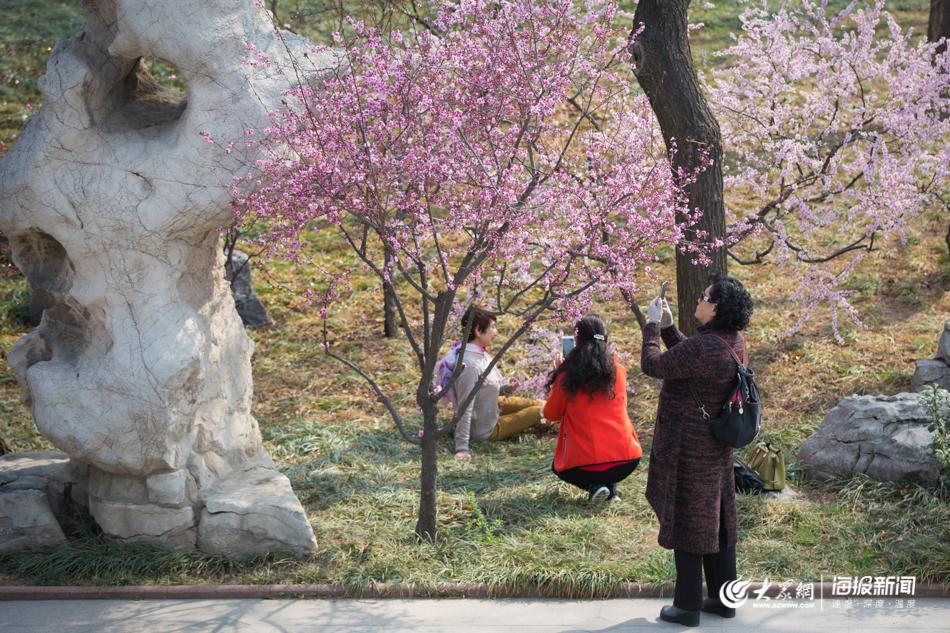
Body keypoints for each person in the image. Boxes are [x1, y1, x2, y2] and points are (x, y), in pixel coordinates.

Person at [640, 273, 754, 627]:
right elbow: (689, 359)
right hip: (715, 447)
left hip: (689, 447)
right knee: (718, 521)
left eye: (704, 297)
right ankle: (723, 600)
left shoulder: (705, 347)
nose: (699, 301)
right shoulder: (732, 340)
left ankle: (687, 606)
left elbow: (654, 365)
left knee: (689, 519)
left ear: (716, 306)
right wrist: (672, 331)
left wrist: (652, 327)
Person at [543, 316, 642, 504]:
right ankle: (610, 490)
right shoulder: (618, 370)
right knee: (607, 458)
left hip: (581, 468)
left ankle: (596, 487)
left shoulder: (567, 376)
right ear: (606, 340)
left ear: (577, 342)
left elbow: (551, 414)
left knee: (558, 467)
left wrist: (559, 375)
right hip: (627, 461)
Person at [445, 305, 548, 461]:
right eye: (493, 327)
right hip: (485, 428)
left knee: (542, 403)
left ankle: (558, 418)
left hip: (492, 406)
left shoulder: (480, 354)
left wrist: (507, 389)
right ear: (479, 330)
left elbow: (484, 388)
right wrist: (462, 448)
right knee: (539, 411)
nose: (496, 332)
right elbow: (464, 407)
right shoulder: (470, 365)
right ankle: (559, 424)